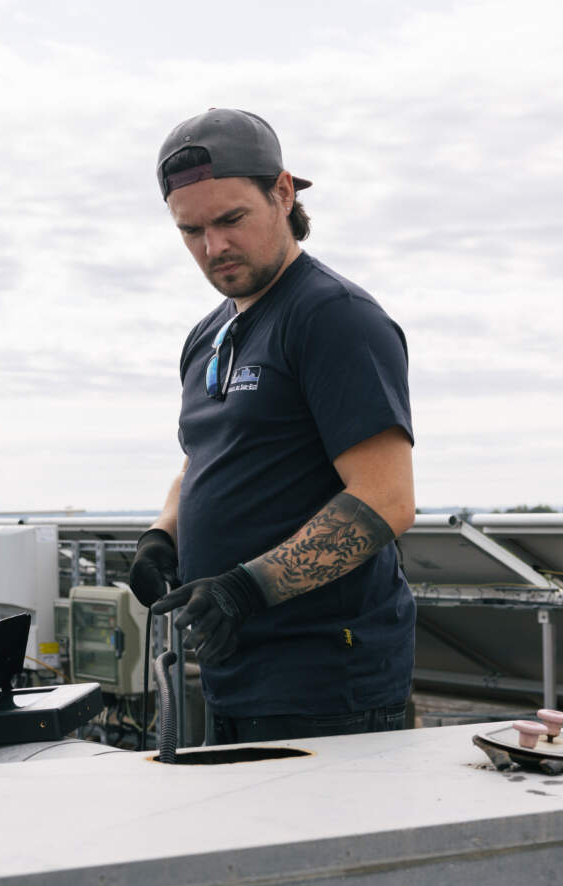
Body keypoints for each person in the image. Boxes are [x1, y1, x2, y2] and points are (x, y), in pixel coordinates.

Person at [130, 109, 416, 745]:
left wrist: (245, 589)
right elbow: (205, 457)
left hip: (325, 686)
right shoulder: (209, 334)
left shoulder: (334, 318)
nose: (214, 247)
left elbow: (387, 498)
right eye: (192, 230)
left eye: (231, 219)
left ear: (283, 193)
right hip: (235, 674)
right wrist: (162, 535)